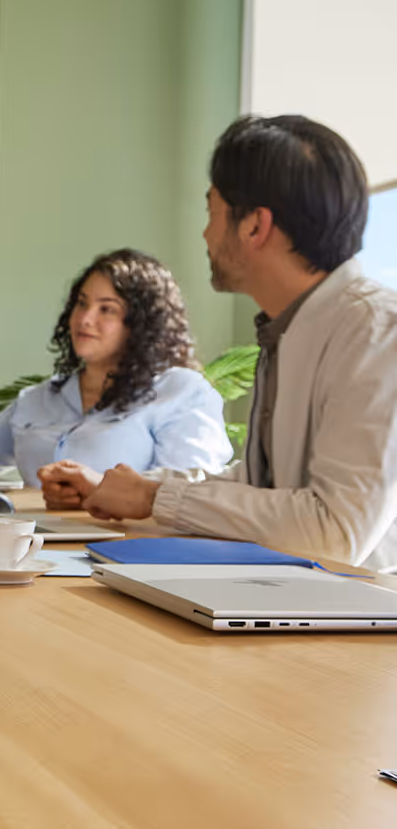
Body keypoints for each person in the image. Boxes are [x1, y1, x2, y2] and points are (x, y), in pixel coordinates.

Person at [40, 115, 397, 569]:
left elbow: (335, 533)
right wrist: (133, 490)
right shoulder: (289, 328)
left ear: (254, 227)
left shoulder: (376, 332)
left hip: (355, 621)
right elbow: (260, 488)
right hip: (287, 599)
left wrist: (155, 496)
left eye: (211, 212)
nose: (206, 234)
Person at [0, 249, 232, 487]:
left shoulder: (181, 393)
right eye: (82, 304)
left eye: (107, 309)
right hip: (35, 554)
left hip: (128, 560)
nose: (85, 319)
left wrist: (100, 489)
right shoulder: (41, 399)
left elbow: (193, 489)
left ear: (142, 323)